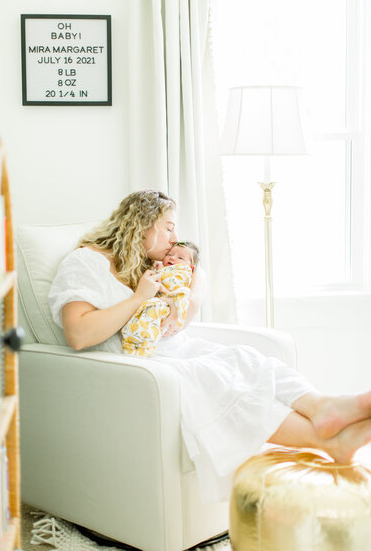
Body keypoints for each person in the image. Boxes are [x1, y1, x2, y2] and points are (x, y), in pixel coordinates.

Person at [48, 189, 371, 503]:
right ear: (140, 223)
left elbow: (181, 315)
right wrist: (138, 298)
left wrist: (190, 282)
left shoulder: (147, 265)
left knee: (246, 357)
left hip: (171, 350)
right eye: (169, 227)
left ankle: (321, 406)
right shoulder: (86, 261)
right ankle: (327, 439)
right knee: (214, 376)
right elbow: (79, 334)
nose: (175, 238)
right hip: (134, 364)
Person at [121, 241, 199, 357]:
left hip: (166, 305)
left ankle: (142, 348)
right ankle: (133, 343)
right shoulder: (158, 268)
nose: (172, 258)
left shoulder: (183, 272)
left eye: (180, 258)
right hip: (155, 302)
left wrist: (167, 292)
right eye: (170, 254)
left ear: (191, 267)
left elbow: (180, 290)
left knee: (151, 319)